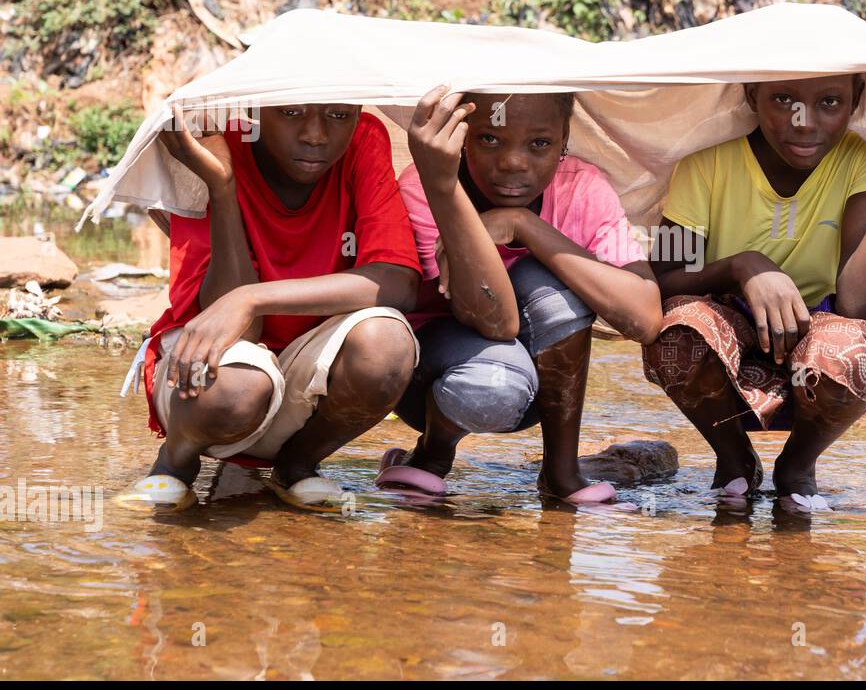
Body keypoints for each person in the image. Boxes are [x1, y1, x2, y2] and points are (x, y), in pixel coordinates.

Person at [644, 67, 866, 512]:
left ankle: (797, 466)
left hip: (816, 349)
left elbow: (859, 302)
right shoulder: (706, 162)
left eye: (829, 102)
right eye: (783, 100)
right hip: (728, 342)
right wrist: (743, 267)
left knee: (849, 349)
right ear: (752, 95)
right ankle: (734, 459)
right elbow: (664, 279)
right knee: (677, 328)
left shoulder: (864, 159)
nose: (804, 121)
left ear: (856, 99)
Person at [117, 103, 422, 513]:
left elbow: (398, 282)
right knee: (240, 385)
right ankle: (176, 463)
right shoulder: (211, 137)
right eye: (292, 113)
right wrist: (223, 187)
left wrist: (252, 297)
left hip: (305, 378)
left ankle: (297, 465)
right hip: (213, 385)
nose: (315, 135)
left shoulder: (364, 136)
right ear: (256, 108)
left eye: (338, 115)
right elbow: (238, 333)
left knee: (387, 344)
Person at [379, 86, 662, 503]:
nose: (512, 162)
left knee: (548, 283)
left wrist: (523, 225)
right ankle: (431, 455)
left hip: (534, 389)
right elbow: (494, 321)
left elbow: (644, 318)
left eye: (540, 144)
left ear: (564, 140)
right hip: (433, 378)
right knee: (495, 384)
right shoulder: (427, 188)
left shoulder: (580, 189)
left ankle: (561, 473)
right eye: (489, 139)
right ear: (461, 135)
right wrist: (459, 213)